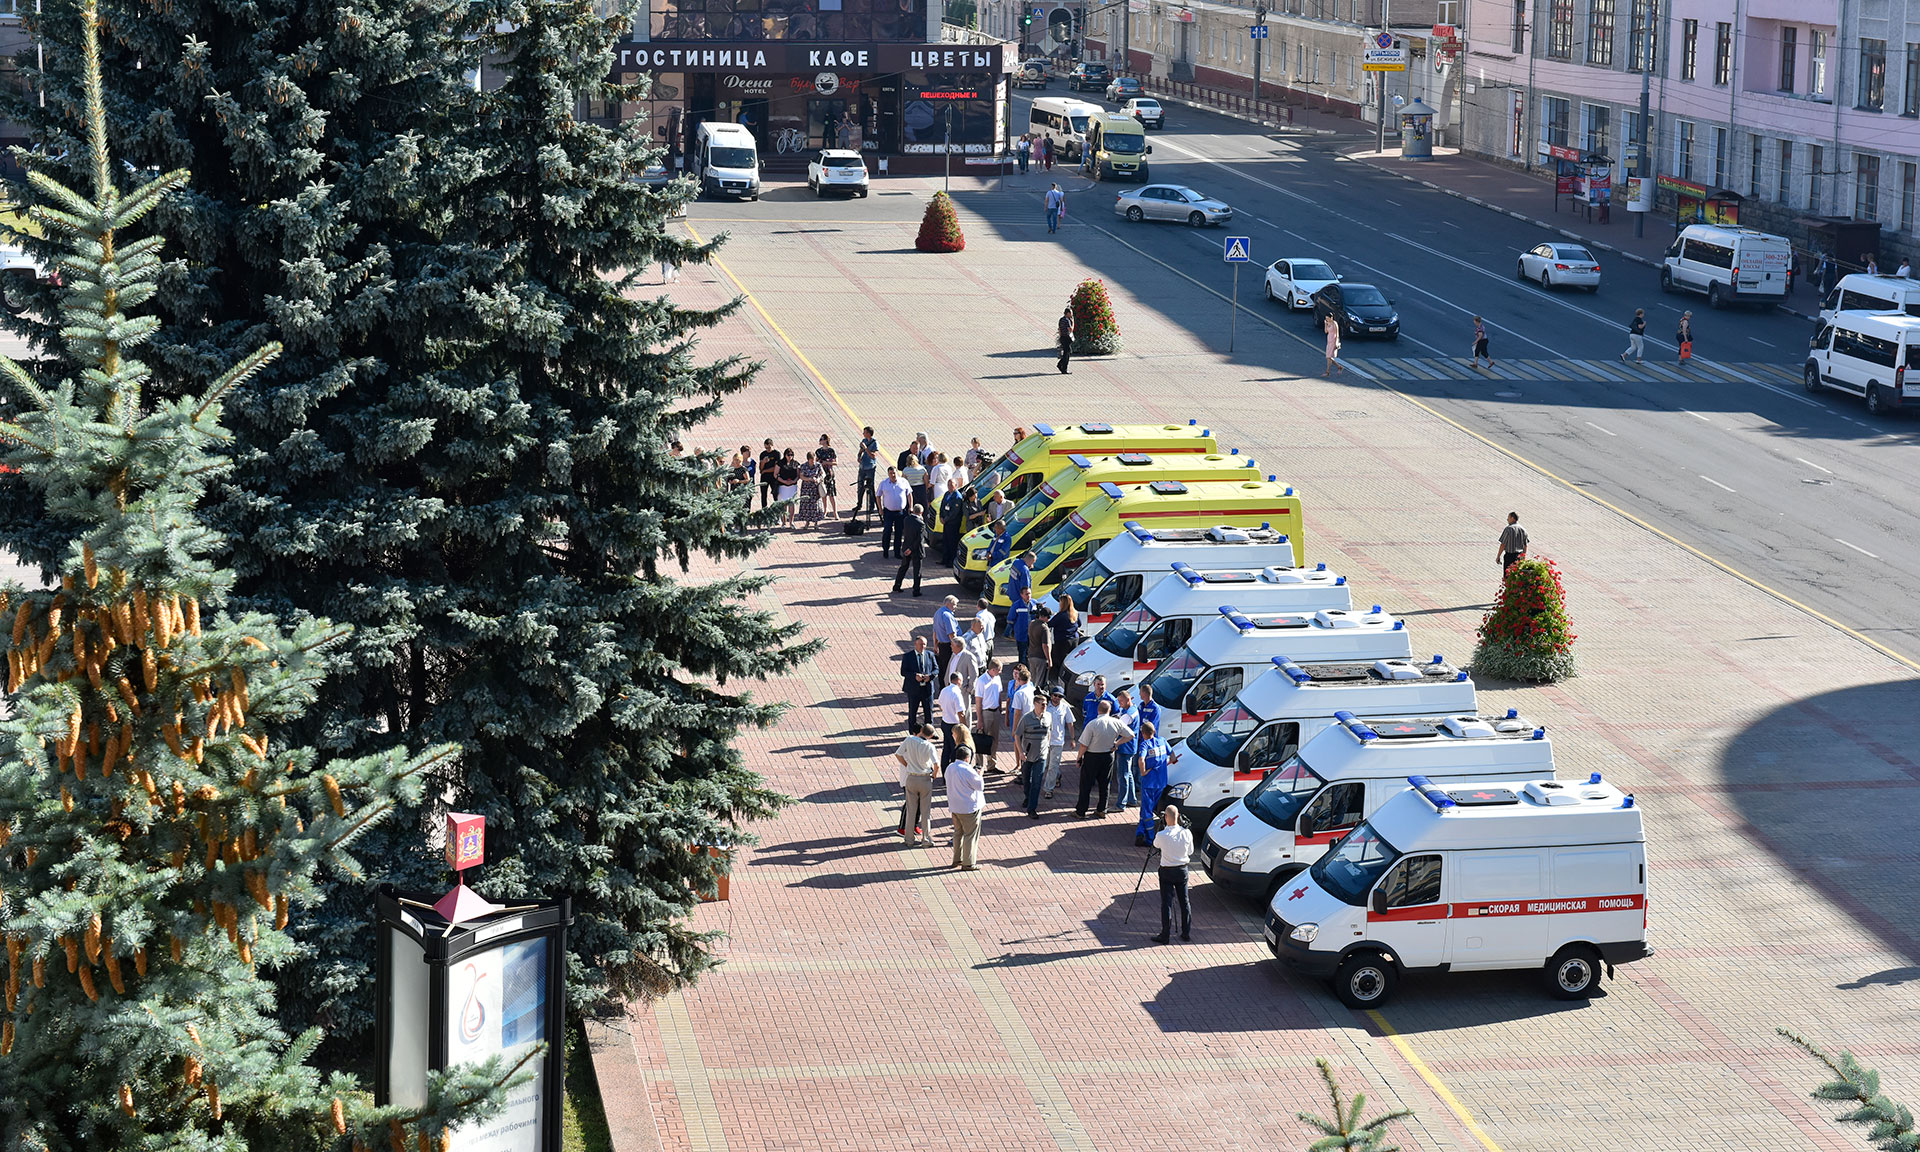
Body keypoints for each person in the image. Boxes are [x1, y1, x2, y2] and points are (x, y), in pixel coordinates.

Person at [1075, 700, 1131, 818]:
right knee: (1105, 784)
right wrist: (1117, 743)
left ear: (1098, 710)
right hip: (1108, 756)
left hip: (1092, 756)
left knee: (1086, 785)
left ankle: (1081, 811)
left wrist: (1079, 757)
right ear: (1109, 710)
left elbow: (1084, 745)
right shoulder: (1116, 723)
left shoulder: (1092, 724)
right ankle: (1102, 809)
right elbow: (1131, 735)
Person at [1149, 804, 1193, 944]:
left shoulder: (1162, 835)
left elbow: (1155, 845)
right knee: (1184, 902)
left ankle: (1165, 934)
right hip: (1182, 870)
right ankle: (1186, 933)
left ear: (1166, 817)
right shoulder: (1186, 833)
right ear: (1178, 816)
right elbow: (1191, 851)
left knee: (1166, 903)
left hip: (1167, 871)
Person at [895, 724, 941, 845]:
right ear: (931, 735)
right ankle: (926, 839)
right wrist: (934, 775)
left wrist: (907, 765)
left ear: (921, 731)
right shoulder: (930, 746)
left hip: (911, 777)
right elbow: (937, 765)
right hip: (925, 779)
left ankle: (909, 839)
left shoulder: (909, 740)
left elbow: (898, 754)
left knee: (911, 810)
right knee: (925, 811)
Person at [946, 745, 985, 870]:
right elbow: (979, 786)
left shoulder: (950, 767)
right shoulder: (968, 770)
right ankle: (968, 863)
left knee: (958, 833)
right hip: (969, 808)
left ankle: (957, 859)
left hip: (955, 807)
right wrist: (980, 775)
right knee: (970, 835)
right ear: (967, 758)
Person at [1133, 720, 1171, 847]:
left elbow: (1141, 759)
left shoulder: (1145, 744)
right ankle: (1140, 832)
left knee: (1147, 811)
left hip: (1149, 782)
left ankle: (1150, 838)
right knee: (1147, 808)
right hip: (1161, 782)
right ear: (1154, 731)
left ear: (1143, 733)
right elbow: (1173, 756)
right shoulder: (1162, 741)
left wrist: (1143, 772)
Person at [1015, 693, 1050, 818]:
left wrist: (1047, 746)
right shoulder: (1026, 718)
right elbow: (1017, 735)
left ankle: (1032, 809)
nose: (1044, 706)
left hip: (1041, 756)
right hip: (1027, 756)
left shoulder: (1048, 717)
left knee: (1037, 782)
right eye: (1042, 704)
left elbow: (1048, 732)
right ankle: (1027, 797)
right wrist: (1020, 752)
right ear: (1035, 704)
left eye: (1046, 704)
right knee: (1026, 780)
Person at [1110, 687, 1141, 811]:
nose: (1119, 704)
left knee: (1122, 776)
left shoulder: (1129, 714)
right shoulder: (1129, 709)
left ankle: (1121, 804)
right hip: (1129, 747)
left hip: (1125, 748)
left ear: (1128, 700)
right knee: (1128, 774)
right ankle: (1131, 799)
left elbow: (1119, 727)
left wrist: (1116, 743)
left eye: (1121, 701)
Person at [1042, 687, 1075, 799]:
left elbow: (1070, 723)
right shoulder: (1045, 706)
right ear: (1051, 695)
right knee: (1047, 765)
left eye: (1059, 696)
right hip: (1045, 741)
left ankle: (1048, 789)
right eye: (1055, 695)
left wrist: (1072, 739)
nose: (1057, 698)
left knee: (1053, 766)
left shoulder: (1065, 708)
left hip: (1058, 742)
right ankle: (1057, 775)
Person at [900, 635, 937, 732]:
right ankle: (912, 732)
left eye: (924, 644)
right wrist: (914, 676)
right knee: (913, 712)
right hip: (914, 689)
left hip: (927, 689)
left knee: (928, 711)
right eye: (920, 644)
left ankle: (929, 732)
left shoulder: (930, 655)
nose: (922, 646)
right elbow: (903, 672)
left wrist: (930, 676)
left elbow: (936, 669)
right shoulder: (908, 656)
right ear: (915, 644)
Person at [974, 659, 1004, 776]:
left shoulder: (997, 678)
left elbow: (999, 693)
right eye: (999, 670)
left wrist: (1000, 708)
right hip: (986, 713)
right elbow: (978, 701)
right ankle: (979, 766)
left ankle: (992, 765)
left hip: (996, 711)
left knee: (994, 740)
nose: (1000, 672)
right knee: (981, 739)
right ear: (993, 669)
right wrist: (979, 719)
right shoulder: (981, 681)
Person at [893, 500, 929, 595]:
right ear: (921, 513)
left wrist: (908, 548)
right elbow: (919, 539)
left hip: (906, 547)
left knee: (903, 567)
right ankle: (916, 590)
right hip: (916, 550)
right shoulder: (920, 524)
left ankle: (897, 585)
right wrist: (911, 549)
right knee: (917, 571)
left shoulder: (906, 519)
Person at [877, 466, 913, 557]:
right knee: (887, 530)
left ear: (897, 473)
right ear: (888, 474)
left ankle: (897, 552)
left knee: (899, 532)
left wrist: (911, 506)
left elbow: (909, 494)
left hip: (900, 512)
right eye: (891, 473)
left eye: (894, 473)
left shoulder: (904, 482)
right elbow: (878, 496)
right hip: (888, 512)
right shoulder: (884, 483)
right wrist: (880, 509)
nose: (893, 475)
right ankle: (885, 550)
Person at [937, 671, 972, 766]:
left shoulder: (944, 690)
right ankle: (953, 770)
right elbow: (961, 713)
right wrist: (964, 727)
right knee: (955, 750)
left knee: (946, 749)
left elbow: (939, 704)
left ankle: (945, 771)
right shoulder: (957, 693)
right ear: (959, 680)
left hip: (945, 722)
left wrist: (947, 711)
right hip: (954, 726)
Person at [1050, 597, 1080, 684]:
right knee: (1071, 659)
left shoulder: (1060, 616)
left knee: (1060, 660)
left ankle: (1061, 678)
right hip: (1074, 640)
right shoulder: (1075, 613)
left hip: (1062, 641)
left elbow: (1050, 624)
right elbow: (1079, 624)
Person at [939, 480, 967, 567]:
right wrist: (941, 516)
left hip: (953, 522)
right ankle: (944, 559)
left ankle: (951, 561)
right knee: (945, 541)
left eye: (951, 485)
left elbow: (954, 512)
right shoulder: (947, 494)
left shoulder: (957, 496)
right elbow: (942, 506)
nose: (949, 487)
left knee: (952, 542)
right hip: (946, 522)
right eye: (948, 485)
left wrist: (946, 519)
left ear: (956, 485)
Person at [933, 595, 961, 680]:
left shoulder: (938, 612)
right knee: (948, 669)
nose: (956, 607)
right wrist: (957, 647)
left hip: (941, 645)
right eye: (955, 604)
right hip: (949, 646)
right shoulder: (947, 616)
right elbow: (952, 634)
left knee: (942, 669)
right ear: (949, 604)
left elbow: (935, 632)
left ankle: (942, 686)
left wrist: (935, 645)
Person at [1007, 586, 1034, 669]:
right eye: (1026, 594)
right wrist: (1012, 631)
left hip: (1032, 635)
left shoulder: (1034, 604)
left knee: (1031, 653)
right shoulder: (1016, 605)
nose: (1028, 596)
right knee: (1022, 653)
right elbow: (1010, 619)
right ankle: (1022, 670)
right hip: (1021, 635)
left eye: (1029, 593)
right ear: (1021, 595)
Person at [856, 426, 880, 514]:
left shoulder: (874, 443)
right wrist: (859, 457)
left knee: (870, 487)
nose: (863, 434)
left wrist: (866, 448)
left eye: (865, 432)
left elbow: (873, 456)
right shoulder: (864, 441)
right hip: (862, 466)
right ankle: (859, 504)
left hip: (870, 467)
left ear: (869, 433)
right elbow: (860, 452)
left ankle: (871, 506)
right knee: (860, 486)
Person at [815, 433, 839, 518]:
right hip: (822, 473)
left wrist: (827, 462)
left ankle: (835, 512)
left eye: (821, 439)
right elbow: (816, 461)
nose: (820, 441)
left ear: (825, 440)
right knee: (823, 492)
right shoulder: (818, 451)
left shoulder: (831, 451)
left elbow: (835, 462)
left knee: (831, 493)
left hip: (829, 473)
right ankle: (825, 510)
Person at [775, 450, 802, 527]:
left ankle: (791, 522)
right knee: (783, 505)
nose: (790, 456)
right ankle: (783, 522)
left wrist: (794, 481)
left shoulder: (795, 463)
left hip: (792, 487)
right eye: (788, 455)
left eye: (791, 455)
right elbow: (775, 474)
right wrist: (784, 481)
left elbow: (798, 475)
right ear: (785, 455)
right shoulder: (780, 463)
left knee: (792, 504)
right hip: (782, 486)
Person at [797, 452, 824, 526]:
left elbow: (822, 474)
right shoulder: (804, 466)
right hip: (806, 489)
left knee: (816, 505)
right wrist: (809, 479)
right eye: (811, 460)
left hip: (815, 489)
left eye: (814, 460)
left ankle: (816, 523)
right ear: (808, 459)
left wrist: (819, 479)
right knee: (806, 505)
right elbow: (801, 476)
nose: (813, 462)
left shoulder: (818, 465)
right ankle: (807, 522)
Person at [758, 439, 781, 509]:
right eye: (766, 448)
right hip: (764, 477)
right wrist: (763, 462)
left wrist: (765, 471)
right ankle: (764, 509)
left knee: (775, 494)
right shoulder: (763, 454)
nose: (767, 449)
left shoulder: (776, 454)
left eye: (769, 447)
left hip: (773, 476)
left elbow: (776, 468)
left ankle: (777, 509)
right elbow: (760, 469)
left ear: (772, 445)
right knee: (763, 494)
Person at [1056, 305, 1074, 374]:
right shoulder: (1067, 320)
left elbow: (1059, 329)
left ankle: (1060, 364)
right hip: (1066, 337)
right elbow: (1071, 329)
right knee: (1067, 353)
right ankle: (1064, 368)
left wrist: (1060, 337)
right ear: (1068, 313)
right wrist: (1073, 323)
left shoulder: (1061, 319)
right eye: (1071, 313)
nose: (1072, 314)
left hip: (1062, 337)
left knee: (1067, 352)